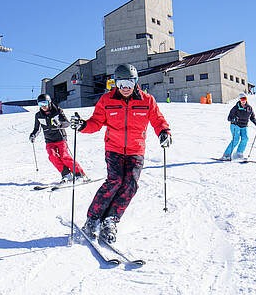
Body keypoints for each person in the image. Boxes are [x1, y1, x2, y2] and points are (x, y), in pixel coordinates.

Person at [70, 64, 171, 243]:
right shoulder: (107, 100)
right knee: (115, 181)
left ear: (136, 82)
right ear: (115, 83)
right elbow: (96, 122)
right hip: (114, 148)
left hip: (136, 150)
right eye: (121, 83)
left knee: (130, 184)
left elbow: (157, 119)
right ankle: (92, 219)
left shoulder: (147, 100)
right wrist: (83, 125)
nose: (125, 88)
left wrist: (164, 132)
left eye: (129, 83)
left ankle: (111, 219)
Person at [29, 93, 87, 182]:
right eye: (40, 104)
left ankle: (79, 174)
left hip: (60, 138)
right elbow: (37, 128)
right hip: (49, 140)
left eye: (44, 103)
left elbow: (67, 123)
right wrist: (33, 135)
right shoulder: (38, 115)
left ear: (49, 102)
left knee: (64, 156)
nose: (43, 106)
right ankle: (66, 175)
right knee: (52, 156)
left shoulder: (58, 111)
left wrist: (60, 124)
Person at [221, 92, 256, 160]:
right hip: (235, 125)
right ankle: (226, 155)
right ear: (239, 100)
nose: (243, 101)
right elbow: (229, 118)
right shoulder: (235, 108)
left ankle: (239, 153)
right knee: (236, 139)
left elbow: (252, 117)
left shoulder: (249, 108)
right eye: (242, 99)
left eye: (244, 99)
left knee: (245, 138)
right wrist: (233, 119)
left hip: (244, 126)